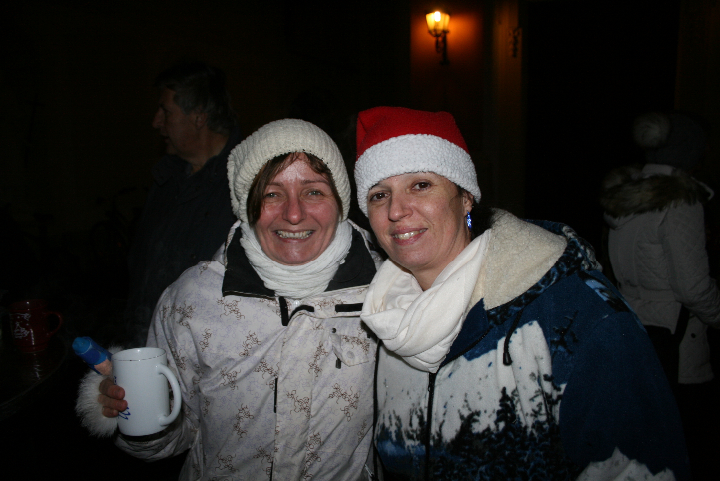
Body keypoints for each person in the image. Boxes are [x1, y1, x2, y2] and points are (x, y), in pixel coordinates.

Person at [353, 106, 690, 480]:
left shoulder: (573, 310)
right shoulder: (383, 315)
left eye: (421, 185)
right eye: (379, 195)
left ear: (465, 197)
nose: (396, 210)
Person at [77, 119, 382, 480]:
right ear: (246, 205)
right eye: (271, 194)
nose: (294, 213)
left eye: (313, 191)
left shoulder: (388, 293)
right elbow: (172, 436)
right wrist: (133, 409)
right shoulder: (193, 299)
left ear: (340, 202)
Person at [601, 111, 720, 480]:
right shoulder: (681, 200)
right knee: (687, 449)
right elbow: (693, 287)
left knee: (645, 453)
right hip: (678, 343)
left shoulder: (624, 198)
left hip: (635, 333)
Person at [123, 61, 242, 347]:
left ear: (199, 117)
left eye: (166, 111)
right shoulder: (168, 178)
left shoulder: (243, 185)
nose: (156, 122)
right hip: (145, 345)